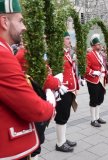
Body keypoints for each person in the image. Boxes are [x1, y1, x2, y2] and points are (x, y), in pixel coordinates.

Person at [0, 1, 55, 159]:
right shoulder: (2, 54)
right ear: (5, 21)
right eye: (20, 21)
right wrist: (50, 107)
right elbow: (32, 108)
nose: (24, 27)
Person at [54, 32, 79, 152]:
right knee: (61, 116)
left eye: (69, 38)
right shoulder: (58, 53)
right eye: (67, 38)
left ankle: (63, 139)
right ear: (62, 40)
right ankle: (59, 143)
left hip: (68, 89)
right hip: (63, 89)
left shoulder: (66, 53)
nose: (70, 40)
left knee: (65, 115)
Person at [85, 34, 107, 127]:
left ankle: (97, 117)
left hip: (101, 79)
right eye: (98, 44)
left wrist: (104, 71)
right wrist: (94, 72)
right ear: (93, 46)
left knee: (99, 98)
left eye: (100, 44)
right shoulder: (89, 55)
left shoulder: (100, 54)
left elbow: (102, 65)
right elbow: (86, 68)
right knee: (93, 99)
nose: (100, 45)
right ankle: (93, 119)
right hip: (92, 80)